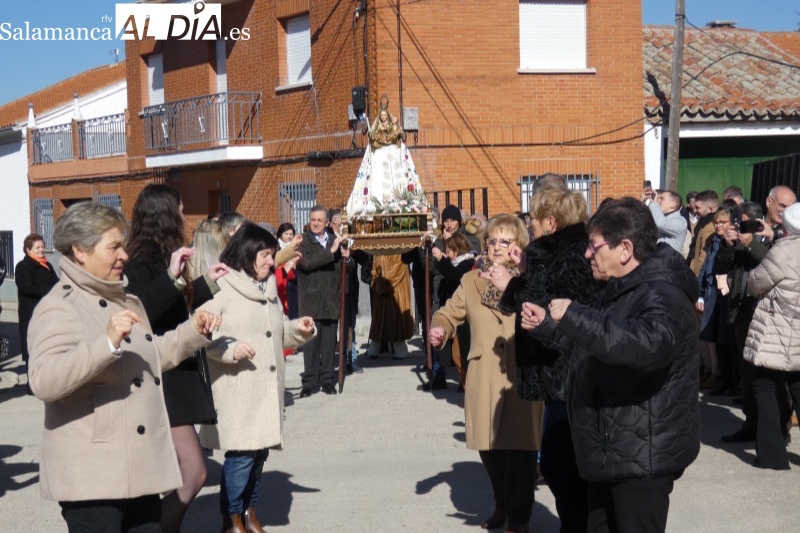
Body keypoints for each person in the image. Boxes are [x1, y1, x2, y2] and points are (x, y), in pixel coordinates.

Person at [27, 201, 221, 532]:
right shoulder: (59, 307)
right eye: (114, 246)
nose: (124, 255)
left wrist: (193, 332)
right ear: (80, 252)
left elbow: (150, 354)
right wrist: (106, 343)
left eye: (123, 245)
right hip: (93, 481)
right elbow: (44, 380)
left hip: (139, 470)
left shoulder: (126, 300)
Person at [521, 198, 700, 533]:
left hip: (642, 457)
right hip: (613, 451)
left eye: (594, 245)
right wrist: (550, 326)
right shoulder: (622, 288)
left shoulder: (662, 294)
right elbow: (601, 345)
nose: (588, 254)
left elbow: (645, 346)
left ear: (625, 248)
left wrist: (576, 315)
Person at [487, 187, 602, 533]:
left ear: (551, 222)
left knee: (561, 464)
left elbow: (544, 304)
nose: (530, 226)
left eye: (534, 220)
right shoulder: (555, 251)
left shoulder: (568, 255)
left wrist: (511, 283)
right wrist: (523, 269)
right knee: (558, 463)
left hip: (565, 373)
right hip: (558, 376)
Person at [124, 184, 229, 533]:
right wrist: (171, 276)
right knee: (194, 471)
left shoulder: (159, 257)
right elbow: (144, 312)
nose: (185, 217)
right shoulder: (140, 262)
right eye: (181, 211)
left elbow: (174, 304)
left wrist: (205, 283)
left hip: (178, 374)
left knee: (182, 471)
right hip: (163, 375)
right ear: (166, 216)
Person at [198, 223, 315, 531]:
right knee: (240, 458)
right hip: (238, 390)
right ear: (248, 253)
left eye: (272, 255)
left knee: (259, 455)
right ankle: (231, 518)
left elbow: (277, 334)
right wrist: (230, 349)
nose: (270, 261)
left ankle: (249, 513)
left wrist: (298, 329)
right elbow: (201, 330)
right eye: (265, 254)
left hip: (265, 390)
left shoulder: (268, 289)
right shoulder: (223, 286)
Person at [430, 214, 543, 533]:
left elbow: (531, 310)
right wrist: (440, 329)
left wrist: (514, 280)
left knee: (521, 451)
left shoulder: (532, 278)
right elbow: (448, 313)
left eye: (504, 241)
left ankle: (519, 518)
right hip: (482, 373)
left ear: (518, 245)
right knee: (489, 447)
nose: (495, 247)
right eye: (491, 240)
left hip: (520, 374)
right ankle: (502, 503)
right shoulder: (470, 279)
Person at [743, 202, 800, 470]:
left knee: (764, 386)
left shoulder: (784, 250)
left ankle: (772, 455)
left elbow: (756, 282)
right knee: (798, 387)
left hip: (778, 329)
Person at [296, 205, 352, 397]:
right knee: (310, 344)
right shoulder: (303, 243)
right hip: (311, 301)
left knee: (329, 344)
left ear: (327, 222)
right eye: (313, 220)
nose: (316, 223)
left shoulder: (335, 241)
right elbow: (307, 262)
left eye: (320, 220)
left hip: (331, 300)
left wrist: (347, 258)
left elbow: (347, 269)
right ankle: (310, 382)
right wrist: (331, 251)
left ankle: (327, 379)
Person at [344, 101, 423, 215]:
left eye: (385, 115)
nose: (383, 117)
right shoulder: (378, 127)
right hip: (379, 152)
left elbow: (398, 134)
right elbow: (375, 136)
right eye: (382, 116)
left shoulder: (393, 128)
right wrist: (374, 136)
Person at [697, 209, 738, 396]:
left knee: (727, 340)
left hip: (726, 294)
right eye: (716, 222)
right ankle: (721, 378)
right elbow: (706, 269)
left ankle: (730, 380)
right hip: (713, 293)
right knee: (714, 339)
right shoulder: (714, 242)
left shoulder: (732, 243)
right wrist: (700, 294)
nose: (718, 225)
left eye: (723, 222)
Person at [15, 233, 59, 393]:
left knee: (49, 347)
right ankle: (32, 385)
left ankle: (48, 383)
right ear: (28, 249)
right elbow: (28, 288)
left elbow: (57, 283)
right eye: (37, 247)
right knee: (32, 349)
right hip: (32, 314)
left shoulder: (48, 266)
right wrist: (51, 292)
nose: (42, 250)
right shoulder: (22, 267)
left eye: (42, 246)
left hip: (49, 313)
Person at [431, 233, 475, 387]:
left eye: (449, 250)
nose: (447, 254)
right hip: (453, 315)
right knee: (455, 354)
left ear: (457, 249)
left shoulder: (468, 263)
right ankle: (466, 386)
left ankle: (468, 387)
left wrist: (441, 260)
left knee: (461, 354)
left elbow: (456, 276)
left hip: (463, 318)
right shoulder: (456, 263)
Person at [643, 188, 686, 254]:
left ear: (672, 204)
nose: (658, 201)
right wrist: (641, 202)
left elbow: (661, 224)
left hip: (669, 262)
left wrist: (654, 203)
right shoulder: (658, 216)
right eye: (658, 198)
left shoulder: (681, 222)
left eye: (661, 199)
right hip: (654, 260)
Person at [688, 189, 719, 276]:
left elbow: (703, 256)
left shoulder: (711, 226)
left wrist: (695, 275)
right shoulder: (704, 222)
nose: (695, 210)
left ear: (710, 209)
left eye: (698, 208)